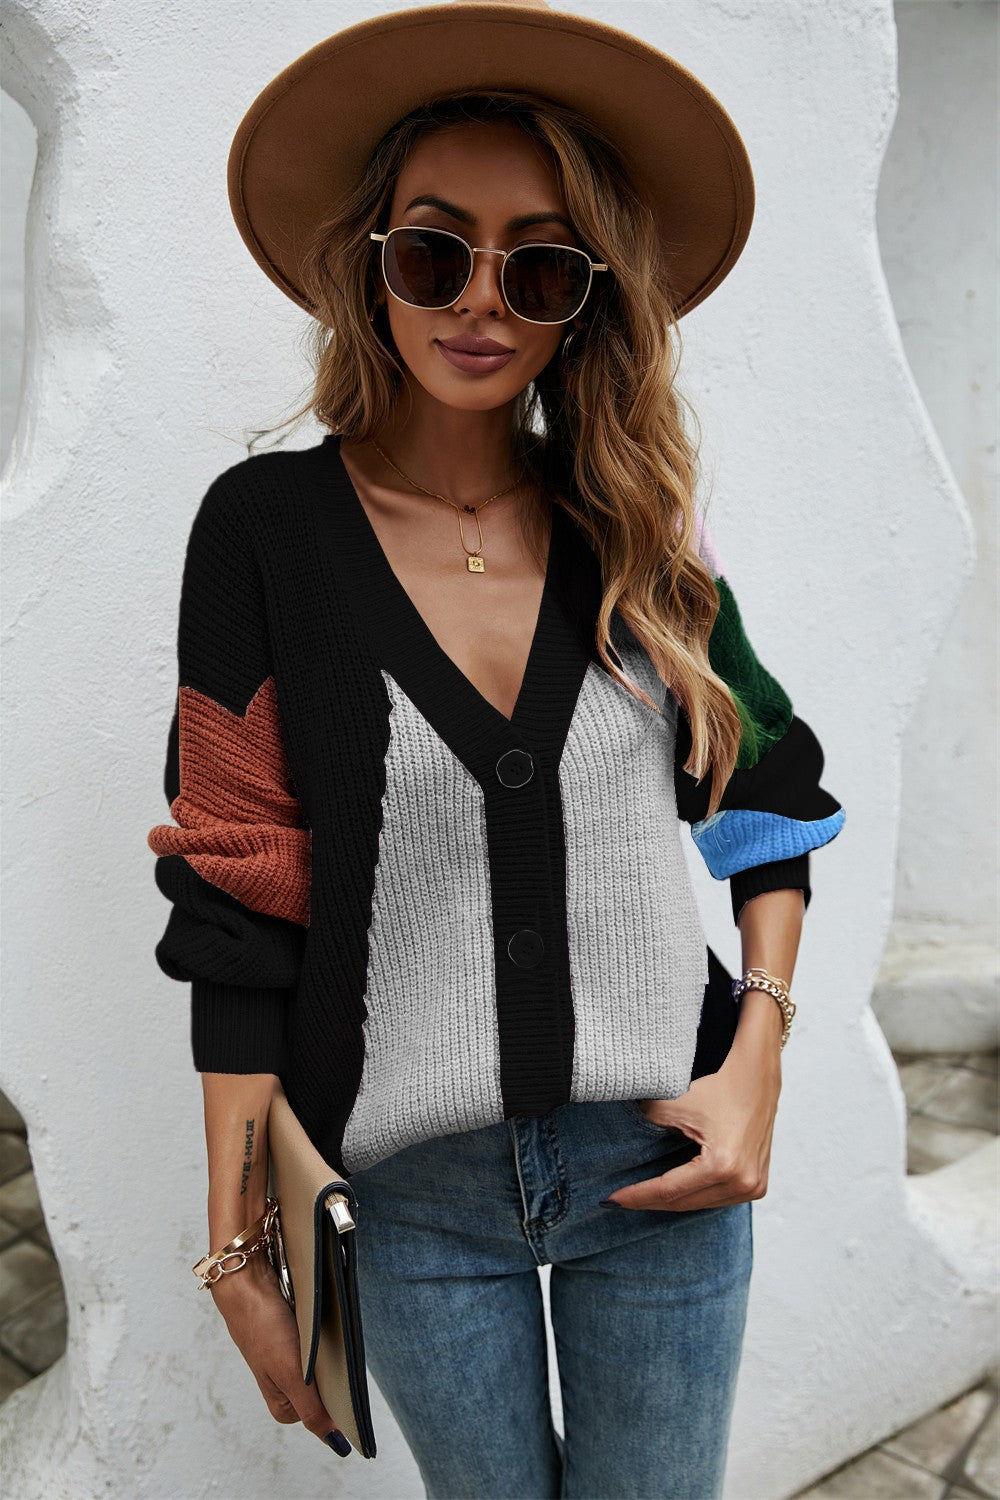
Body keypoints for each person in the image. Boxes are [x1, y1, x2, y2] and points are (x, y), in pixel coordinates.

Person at [147, 3, 846, 1495]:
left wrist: (760, 1063)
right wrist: (237, 1247)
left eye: (537, 264)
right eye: (433, 251)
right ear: (371, 266)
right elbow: (239, 889)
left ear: (584, 301)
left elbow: (768, 798)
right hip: (411, 1197)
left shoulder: (636, 527)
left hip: (662, 1162)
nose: (479, 300)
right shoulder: (264, 533)